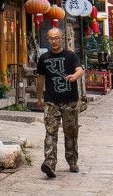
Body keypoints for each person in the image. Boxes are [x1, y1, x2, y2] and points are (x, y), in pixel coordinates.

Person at [35, 27, 85, 178]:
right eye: (51, 38)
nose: (54, 41)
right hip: (51, 101)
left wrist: (74, 76)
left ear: (61, 39)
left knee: (71, 132)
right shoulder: (43, 58)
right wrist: (39, 98)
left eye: (57, 38)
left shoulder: (70, 55)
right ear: (48, 40)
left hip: (69, 100)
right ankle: (49, 164)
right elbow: (40, 79)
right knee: (50, 132)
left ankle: (72, 161)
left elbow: (80, 70)